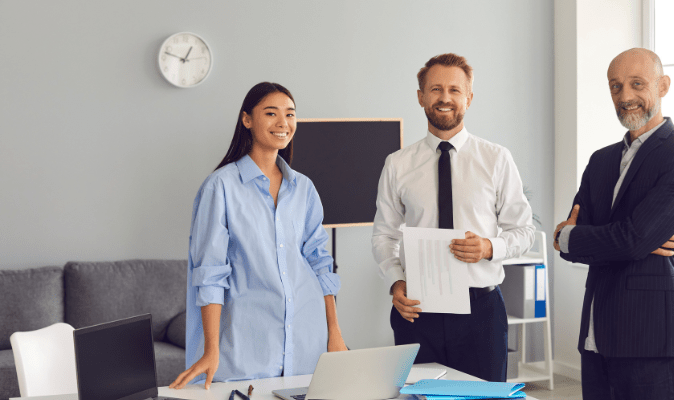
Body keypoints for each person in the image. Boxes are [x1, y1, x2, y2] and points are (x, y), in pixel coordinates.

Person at [553, 48, 674, 400]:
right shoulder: (601, 160)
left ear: (663, 85)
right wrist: (578, 237)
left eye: (637, 84)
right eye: (615, 86)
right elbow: (569, 242)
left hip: (647, 337)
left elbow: (628, 240)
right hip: (595, 332)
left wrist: (581, 236)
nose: (625, 96)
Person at [169, 82, 347, 390]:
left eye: (290, 114)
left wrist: (335, 332)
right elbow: (210, 274)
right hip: (246, 348)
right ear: (247, 119)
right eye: (271, 113)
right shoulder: (220, 188)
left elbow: (320, 263)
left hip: (307, 341)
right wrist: (211, 350)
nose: (283, 123)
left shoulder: (304, 188)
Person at [372, 53, 536, 382]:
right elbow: (384, 236)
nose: (445, 98)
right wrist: (395, 281)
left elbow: (524, 231)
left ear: (469, 98)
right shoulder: (398, 164)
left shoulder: (496, 159)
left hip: (481, 313)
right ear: (421, 97)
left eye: (454, 90)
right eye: (435, 89)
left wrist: (490, 247)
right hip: (418, 311)